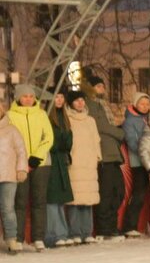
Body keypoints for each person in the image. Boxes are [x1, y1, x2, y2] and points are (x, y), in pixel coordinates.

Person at [10, 84, 53, 250]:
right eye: (24, 96)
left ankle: (38, 238)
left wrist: (37, 156)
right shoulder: (10, 116)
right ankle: (18, 239)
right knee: (19, 202)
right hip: (19, 165)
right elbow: (9, 139)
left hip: (41, 163)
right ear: (18, 98)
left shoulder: (42, 114)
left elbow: (48, 137)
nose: (28, 99)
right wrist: (23, 159)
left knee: (39, 201)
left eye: (31, 96)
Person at [83, 76, 126, 241]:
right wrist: (119, 133)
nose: (102, 88)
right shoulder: (91, 104)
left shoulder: (103, 104)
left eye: (103, 85)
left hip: (113, 153)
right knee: (107, 193)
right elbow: (101, 126)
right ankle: (104, 229)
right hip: (103, 154)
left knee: (118, 192)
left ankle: (112, 226)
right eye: (98, 85)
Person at [65, 91, 102, 245]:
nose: (80, 103)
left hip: (89, 163)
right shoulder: (67, 119)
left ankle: (87, 232)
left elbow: (96, 140)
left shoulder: (90, 120)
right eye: (77, 101)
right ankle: (75, 232)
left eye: (82, 100)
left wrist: (97, 157)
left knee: (88, 199)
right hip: (74, 163)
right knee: (75, 200)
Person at [44, 93, 74, 247]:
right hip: (50, 161)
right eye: (56, 97)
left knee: (60, 199)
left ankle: (62, 233)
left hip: (61, 161)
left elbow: (68, 142)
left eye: (62, 97)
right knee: (52, 198)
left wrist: (63, 145)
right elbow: (51, 142)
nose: (60, 100)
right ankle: (52, 235)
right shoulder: (47, 118)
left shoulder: (65, 119)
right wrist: (60, 145)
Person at [0, 101, 30, 254]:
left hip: (8, 175)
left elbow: (21, 152)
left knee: (7, 208)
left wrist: (22, 169)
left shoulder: (12, 130)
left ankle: (12, 239)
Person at [121, 92, 150, 236]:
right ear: (135, 104)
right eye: (142, 104)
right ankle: (129, 226)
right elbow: (132, 143)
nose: (145, 107)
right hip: (139, 163)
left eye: (147, 104)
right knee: (138, 194)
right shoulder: (130, 121)